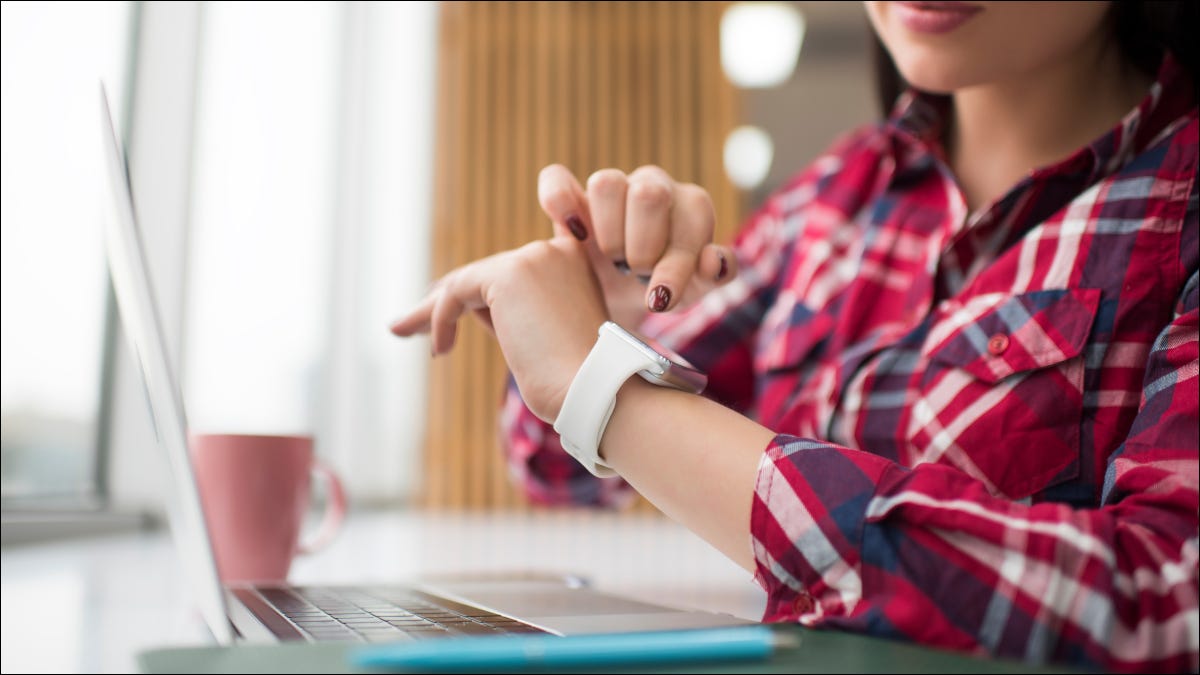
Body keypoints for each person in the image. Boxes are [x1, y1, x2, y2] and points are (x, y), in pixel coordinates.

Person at [390, 1, 1198, 671]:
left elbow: (1166, 603)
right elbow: (551, 466)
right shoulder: (832, 200)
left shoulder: (1180, 199)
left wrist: (607, 394)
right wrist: (611, 319)